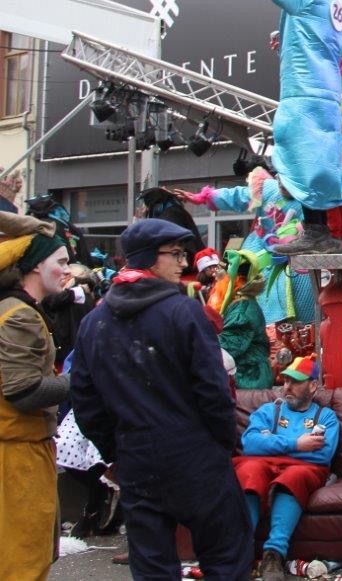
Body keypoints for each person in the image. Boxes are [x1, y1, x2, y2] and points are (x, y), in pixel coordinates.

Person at [70, 219, 252, 580]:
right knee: (226, 556)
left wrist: (116, 450)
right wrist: (221, 442)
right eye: (176, 254)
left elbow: (85, 401)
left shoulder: (94, 321)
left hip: (136, 457)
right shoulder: (184, 312)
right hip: (196, 454)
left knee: (151, 565)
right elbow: (213, 390)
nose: (184, 263)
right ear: (150, 258)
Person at [219, 0, 342, 255]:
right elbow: (322, 46)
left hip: (303, 94)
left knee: (297, 159)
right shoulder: (334, 5)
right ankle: (320, 231)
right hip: (326, 95)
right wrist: (287, 40)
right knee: (318, 164)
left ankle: (316, 233)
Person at [170, 166, 319, 342]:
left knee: (302, 309)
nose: (282, 184)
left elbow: (237, 196)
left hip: (291, 267)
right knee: (241, 303)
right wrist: (205, 197)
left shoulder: (311, 203)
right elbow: (238, 196)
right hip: (258, 261)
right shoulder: (274, 190)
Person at [0, 214, 71, 580]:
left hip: (20, 453)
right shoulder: (19, 316)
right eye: (60, 261)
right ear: (35, 266)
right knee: (21, 564)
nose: (67, 270)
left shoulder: (15, 309)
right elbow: (24, 392)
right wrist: (82, 379)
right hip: (16, 459)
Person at [233, 355, 339, 581]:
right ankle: (240, 551)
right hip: (262, 465)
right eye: (286, 380)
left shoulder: (326, 417)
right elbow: (250, 444)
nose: (287, 386)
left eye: (295, 381)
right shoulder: (268, 411)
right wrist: (296, 444)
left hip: (303, 468)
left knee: (294, 476)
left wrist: (270, 442)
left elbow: (322, 454)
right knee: (249, 471)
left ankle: (274, 555)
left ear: (313, 386)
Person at [218, 257, 273, 390]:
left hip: (249, 378)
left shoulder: (242, 310)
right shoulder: (242, 304)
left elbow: (228, 345)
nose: (220, 281)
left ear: (236, 279)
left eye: (225, 277)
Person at [40, 261, 100, 369]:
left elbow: (48, 302)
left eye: (67, 274)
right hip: (81, 353)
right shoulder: (85, 296)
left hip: (65, 355)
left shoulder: (69, 296)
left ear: (72, 278)